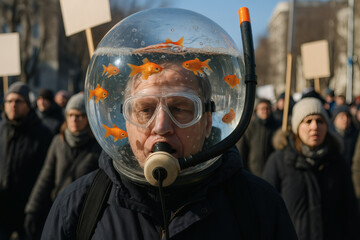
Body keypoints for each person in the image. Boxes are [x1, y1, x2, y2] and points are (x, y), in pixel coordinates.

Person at [41, 8, 297, 240]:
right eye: (145, 110)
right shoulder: (80, 204)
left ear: (207, 121)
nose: (161, 125)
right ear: (126, 121)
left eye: (180, 108)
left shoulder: (258, 206)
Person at [262, 97, 359, 240]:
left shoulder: (337, 162)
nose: (315, 127)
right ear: (297, 127)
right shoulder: (278, 162)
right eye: (308, 121)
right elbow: (265, 213)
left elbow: (350, 213)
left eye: (320, 121)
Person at [24, 93, 101, 239]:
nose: (74, 120)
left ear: (88, 118)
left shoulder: (97, 147)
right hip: (59, 209)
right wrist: (32, 209)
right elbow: (45, 176)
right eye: (70, 114)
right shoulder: (58, 141)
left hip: (85, 214)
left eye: (79, 115)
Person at [0, 82, 53, 239]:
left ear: (28, 105)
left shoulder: (43, 134)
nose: (13, 105)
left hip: (29, 210)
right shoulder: (1, 130)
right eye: (9, 101)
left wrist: (35, 207)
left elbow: (47, 174)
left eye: (18, 101)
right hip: (3, 207)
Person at [236, 98, 281, 176]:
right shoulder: (249, 127)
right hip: (253, 172)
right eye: (262, 109)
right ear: (256, 110)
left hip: (272, 172)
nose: (265, 111)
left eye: (267, 108)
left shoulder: (277, 127)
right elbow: (242, 149)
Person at [331, 104, 359, 169]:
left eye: (347, 116)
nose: (345, 119)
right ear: (335, 119)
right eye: (341, 116)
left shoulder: (355, 135)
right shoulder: (329, 137)